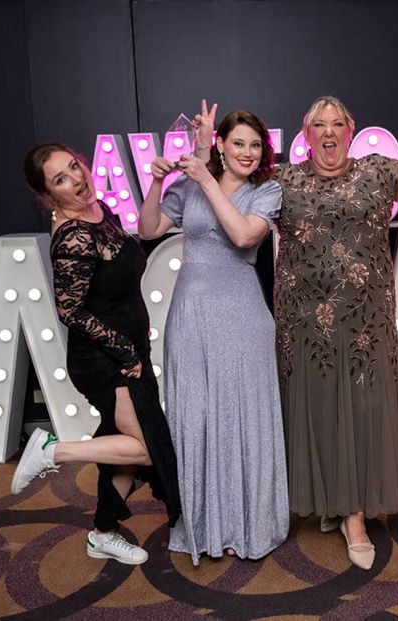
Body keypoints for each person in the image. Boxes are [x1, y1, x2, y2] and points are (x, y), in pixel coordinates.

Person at [267, 71, 398, 570]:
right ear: (306, 132)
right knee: (318, 412)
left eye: (338, 123)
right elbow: (233, 187)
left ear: (352, 129)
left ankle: (355, 517)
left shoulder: (379, 171)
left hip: (364, 324)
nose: (330, 132)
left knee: (357, 414)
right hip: (305, 326)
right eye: (320, 125)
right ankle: (332, 504)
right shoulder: (283, 180)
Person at [12, 143, 182, 566]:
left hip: (129, 354)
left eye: (74, 167)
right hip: (106, 362)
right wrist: (125, 352)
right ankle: (53, 451)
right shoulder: (72, 236)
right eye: (61, 179)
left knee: (123, 448)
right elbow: (69, 310)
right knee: (145, 449)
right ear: (49, 196)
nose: (77, 179)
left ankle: (103, 532)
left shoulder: (99, 209)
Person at [138, 106, 289, 565]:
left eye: (255, 144)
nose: (247, 152)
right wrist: (157, 183)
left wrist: (205, 177)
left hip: (242, 313)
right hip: (191, 314)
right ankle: (204, 523)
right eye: (238, 142)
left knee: (242, 418)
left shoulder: (267, 191)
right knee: (198, 417)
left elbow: (244, 237)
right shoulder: (189, 185)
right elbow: (148, 230)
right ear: (221, 144)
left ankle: (246, 523)